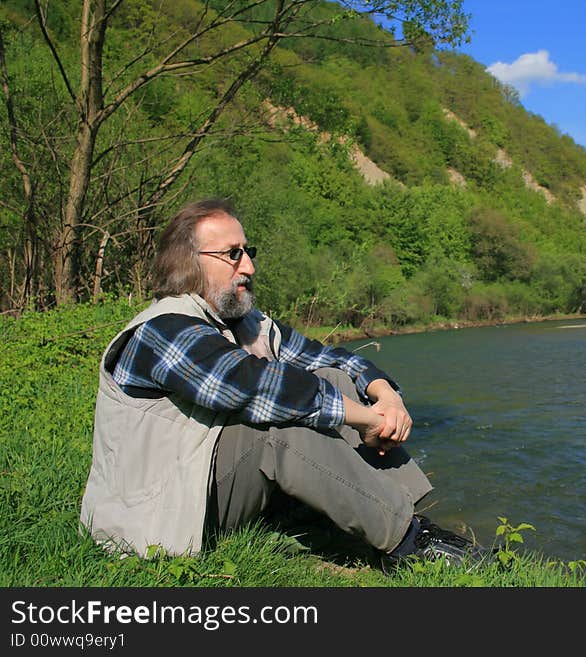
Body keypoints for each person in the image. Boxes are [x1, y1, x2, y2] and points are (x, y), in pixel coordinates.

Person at [79, 198, 484, 568]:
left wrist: (386, 396)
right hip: (160, 510)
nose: (249, 267)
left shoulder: (245, 324)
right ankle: (411, 544)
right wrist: (366, 419)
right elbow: (254, 388)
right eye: (232, 255)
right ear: (189, 263)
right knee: (279, 426)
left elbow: (330, 359)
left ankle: (411, 515)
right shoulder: (162, 330)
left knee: (333, 379)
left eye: (248, 252)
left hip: (202, 486)